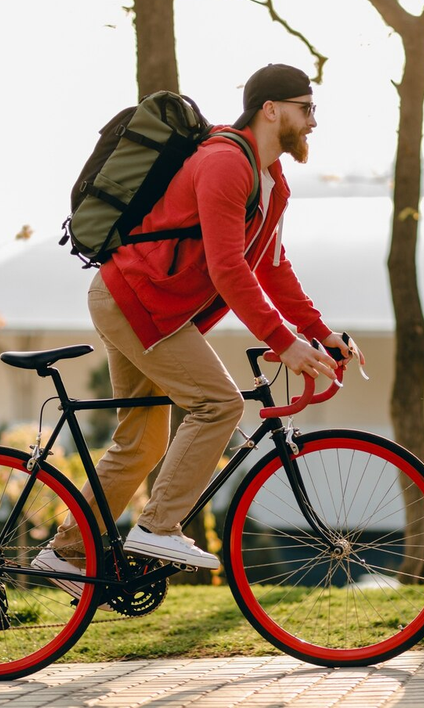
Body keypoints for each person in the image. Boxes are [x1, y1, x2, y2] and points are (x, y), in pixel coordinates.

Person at [33, 63, 363, 598]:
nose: (313, 121)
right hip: (136, 301)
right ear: (270, 110)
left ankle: (65, 551)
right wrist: (283, 341)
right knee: (218, 405)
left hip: (141, 303)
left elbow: (271, 266)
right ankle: (158, 527)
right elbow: (227, 268)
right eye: (306, 109)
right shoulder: (224, 163)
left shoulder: (271, 181)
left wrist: (319, 332)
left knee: (141, 446)